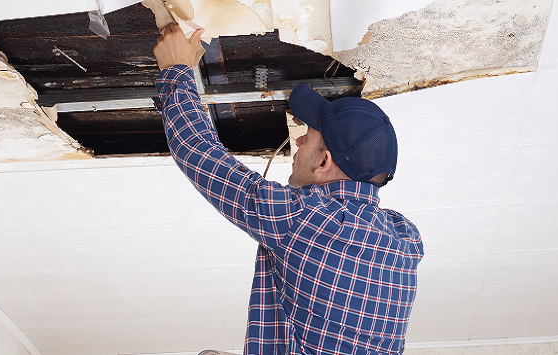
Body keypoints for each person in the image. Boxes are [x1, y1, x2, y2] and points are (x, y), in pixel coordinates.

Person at [153, 24, 423, 355]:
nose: (298, 139)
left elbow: (198, 153)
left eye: (308, 134)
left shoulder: (309, 221)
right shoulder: (403, 240)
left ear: (324, 163)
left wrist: (175, 70)